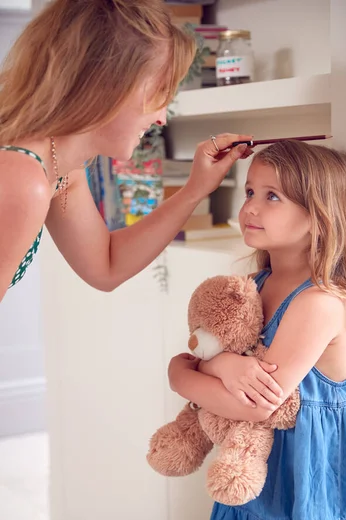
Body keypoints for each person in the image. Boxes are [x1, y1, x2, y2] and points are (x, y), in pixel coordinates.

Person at [168, 140, 346, 520]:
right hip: (261, 484)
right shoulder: (251, 288)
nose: (250, 207)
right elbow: (195, 361)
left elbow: (254, 408)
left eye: (272, 196)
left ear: (319, 215)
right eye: (250, 191)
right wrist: (212, 364)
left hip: (313, 490)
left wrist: (186, 373)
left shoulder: (321, 303)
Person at [0, 0, 253, 302]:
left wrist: (195, 189)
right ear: (108, 83)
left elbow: (105, 265)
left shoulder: (62, 167)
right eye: (160, 93)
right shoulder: (22, 178)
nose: (162, 117)